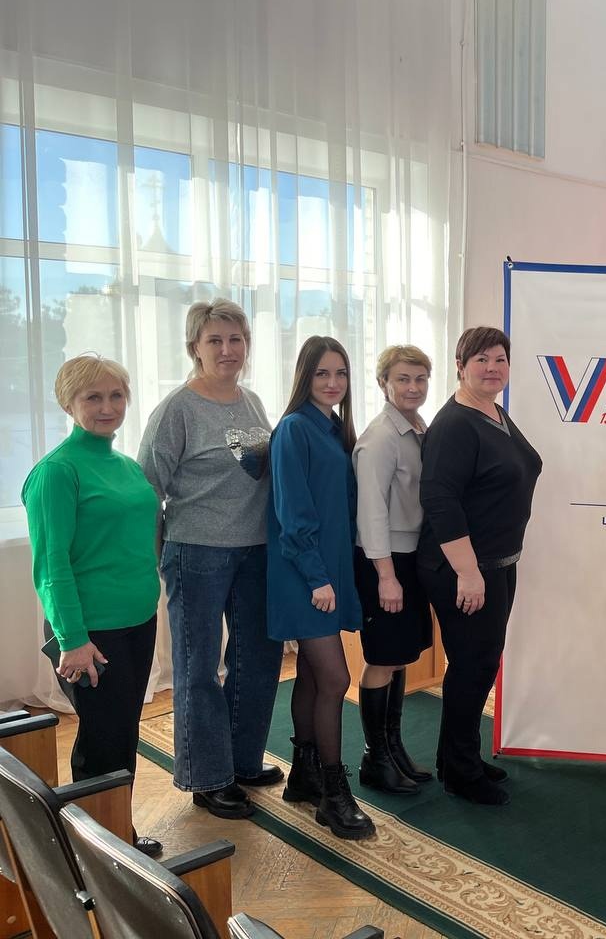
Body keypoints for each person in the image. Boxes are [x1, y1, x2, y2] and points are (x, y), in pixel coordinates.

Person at [138, 299, 282, 823]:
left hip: (255, 552)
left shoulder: (252, 402)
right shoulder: (177, 409)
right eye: (214, 340)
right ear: (194, 348)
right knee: (198, 668)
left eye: (235, 339)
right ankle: (207, 777)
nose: (227, 349)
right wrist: (159, 559)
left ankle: (242, 762)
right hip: (196, 554)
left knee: (256, 660)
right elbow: (147, 490)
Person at [22, 354, 164, 857]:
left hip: (138, 621)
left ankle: (117, 833)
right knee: (102, 742)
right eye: (93, 397)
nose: (108, 407)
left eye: (116, 395)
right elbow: (51, 565)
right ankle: (92, 852)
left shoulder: (126, 466)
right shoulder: (56, 472)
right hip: (89, 632)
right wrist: (72, 640)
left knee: (122, 733)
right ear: (69, 403)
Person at [417, 327, 542, 806]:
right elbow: (440, 500)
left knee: (479, 663)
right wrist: (468, 573)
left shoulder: (492, 411)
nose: (492, 367)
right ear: (460, 366)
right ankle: (461, 773)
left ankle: (457, 758)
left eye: (500, 359)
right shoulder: (454, 424)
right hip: (464, 568)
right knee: (473, 666)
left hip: (496, 563)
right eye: (481, 359)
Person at [267, 336, 373, 840]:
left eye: (341, 374)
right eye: (322, 374)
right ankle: (334, 793)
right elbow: (293, 514)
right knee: (335, 680)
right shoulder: (294, 428)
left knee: (312, 677)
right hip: (306, 576)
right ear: (304, 377)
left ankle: (303, 776)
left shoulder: (332, 427)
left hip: (329, 572)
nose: (333, 383)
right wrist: (317, 578)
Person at [352, 345, 435, 795]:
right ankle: (375, 758)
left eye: (420, 378)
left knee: (400, 653)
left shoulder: (418, 427)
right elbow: (371, 514)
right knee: (382, 657)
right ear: (383, 383)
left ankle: (394, 747)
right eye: (403, 379)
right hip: (385, 561)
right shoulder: (381, 437)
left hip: (410, 556)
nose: (413, 387)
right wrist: (386, 576)